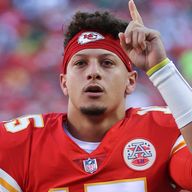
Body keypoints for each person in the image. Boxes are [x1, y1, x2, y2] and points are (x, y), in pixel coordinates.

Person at [0, 0, 192, 191]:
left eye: (107, 63)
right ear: (64, 82)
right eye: (80, 63)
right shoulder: (21, 143)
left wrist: (161, 69)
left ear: (131, 81)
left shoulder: (165, 129)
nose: (93, 72)